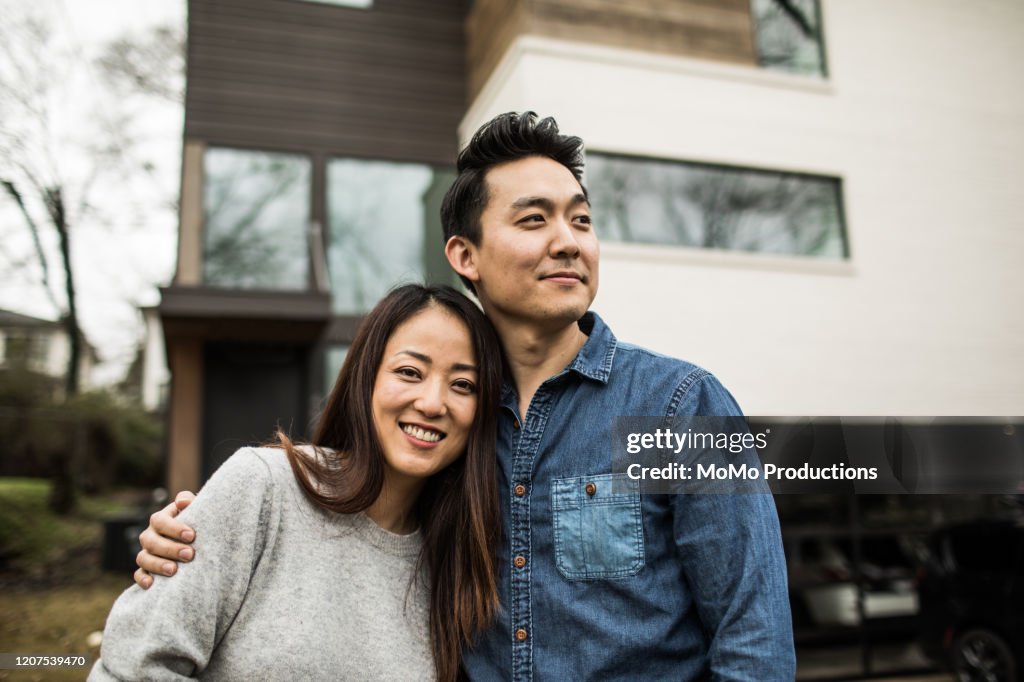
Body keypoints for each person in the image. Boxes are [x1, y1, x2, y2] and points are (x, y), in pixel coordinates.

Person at [136, 112, 796, 680]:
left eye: (582, 220)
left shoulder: (682, 404)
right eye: (533, 219)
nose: (567, 240)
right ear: (464, 254)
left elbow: (754, 642)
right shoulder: (446, 429)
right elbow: (347, 526)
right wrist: (191, 543)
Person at [92, 284, 504, 681]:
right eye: (410, 372)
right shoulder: (263, 488)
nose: (432, 403)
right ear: (366, 380)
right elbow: (133, 669)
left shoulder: (459, 562)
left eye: (463, 385)